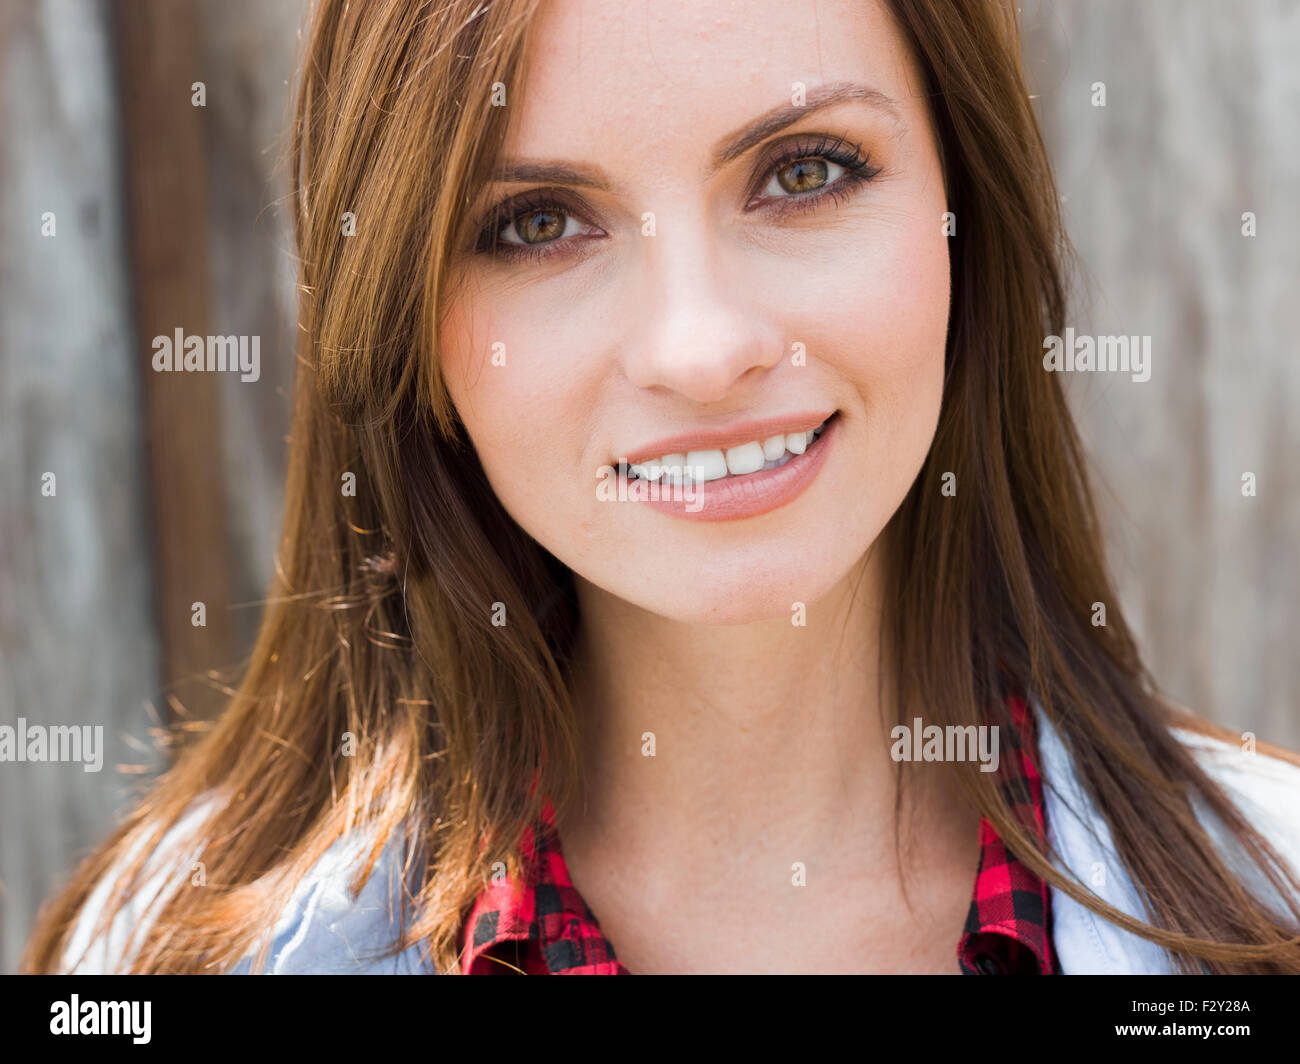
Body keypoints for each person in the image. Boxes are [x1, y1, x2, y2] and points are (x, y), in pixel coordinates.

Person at [24, 0, 1300, 975]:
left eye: (804, 169)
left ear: (968, 209)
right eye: (535, 222)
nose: (700, 348)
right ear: (408, 324)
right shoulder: (166, 951)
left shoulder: (1274, 904)